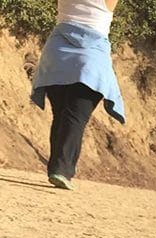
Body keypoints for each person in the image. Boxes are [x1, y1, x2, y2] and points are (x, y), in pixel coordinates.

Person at [31, 0, 125, 190]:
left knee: (61, 115)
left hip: (57, 53)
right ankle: (62, 171)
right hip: (90, 57)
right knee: (76, 116)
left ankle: (57, 168)